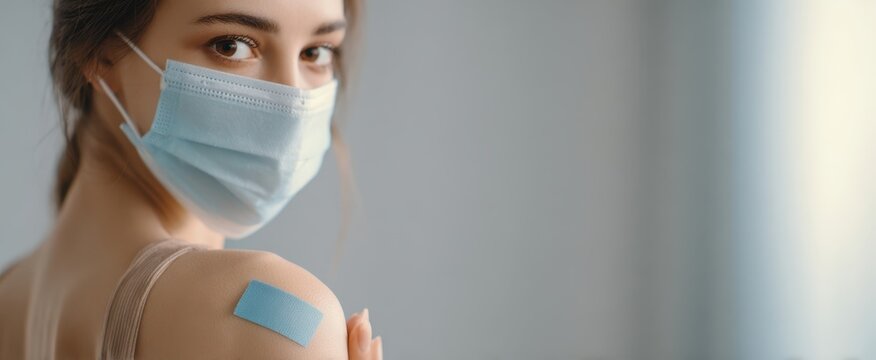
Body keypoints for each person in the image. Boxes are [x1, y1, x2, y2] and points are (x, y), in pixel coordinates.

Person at [0, 0, 382, 358]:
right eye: (231, 45)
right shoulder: (283, 322)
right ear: (102, 55)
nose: (292, 99)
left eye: (316, 52)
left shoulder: (10, 295)